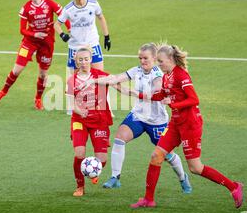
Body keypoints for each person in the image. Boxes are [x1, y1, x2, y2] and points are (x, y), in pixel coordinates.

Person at [130, 44, 243, 209]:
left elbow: (194, 99)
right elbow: (161, 94)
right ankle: (149, 199)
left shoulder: (181, 75)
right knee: (156, 156)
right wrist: (136, 94)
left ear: (170, 59)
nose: (159, 65)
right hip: (176, 123)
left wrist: (173, 103)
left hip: (190, 124)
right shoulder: (166, 75)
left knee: (195, 168)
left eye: (161, 62)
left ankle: (234, 187)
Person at [78, 43, 192, 194]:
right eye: (140, 58)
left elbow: (157, 89)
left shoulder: (158, 73)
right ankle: (115, 177)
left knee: (167, 154)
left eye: (145, 58)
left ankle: (183, 178)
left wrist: (131, 91)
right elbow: (116, 78)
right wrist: (93, 80)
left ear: (154, 58)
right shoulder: (136, 70)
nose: (142, 61)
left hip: (157, 121)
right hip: (138, 116)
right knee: (119, 138)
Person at [0, 0, 70, 110]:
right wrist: (35, 34)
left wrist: (69, 29)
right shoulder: (26, 8)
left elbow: (64, 16)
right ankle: (3, 91)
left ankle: (38, 99)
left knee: (43, 74)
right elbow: (22, 30)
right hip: (29, 42)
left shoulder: (50, 4)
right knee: (17, 70)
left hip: (47, 43)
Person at [66, 46, 113, 197]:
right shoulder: (72, 80)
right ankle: (80, 186)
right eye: (81, 60)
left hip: (99, 121)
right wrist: (80, 111)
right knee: (80, 153)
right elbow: (70, 103)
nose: (84, 62)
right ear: (76, 62)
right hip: (79, 120)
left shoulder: (99, 75)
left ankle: (93, 171)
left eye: (86, 59)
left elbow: (115, 80)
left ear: (91, 60)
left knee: (102, 159)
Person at [54, 0, 111, 73]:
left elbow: (101, 17)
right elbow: (56, 24)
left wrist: (107, 37)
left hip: (92, 44)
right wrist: (62, 34)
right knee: (73, 82)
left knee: (100, 78)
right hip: (75, 46)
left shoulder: (93, 4)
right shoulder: (68, 9)